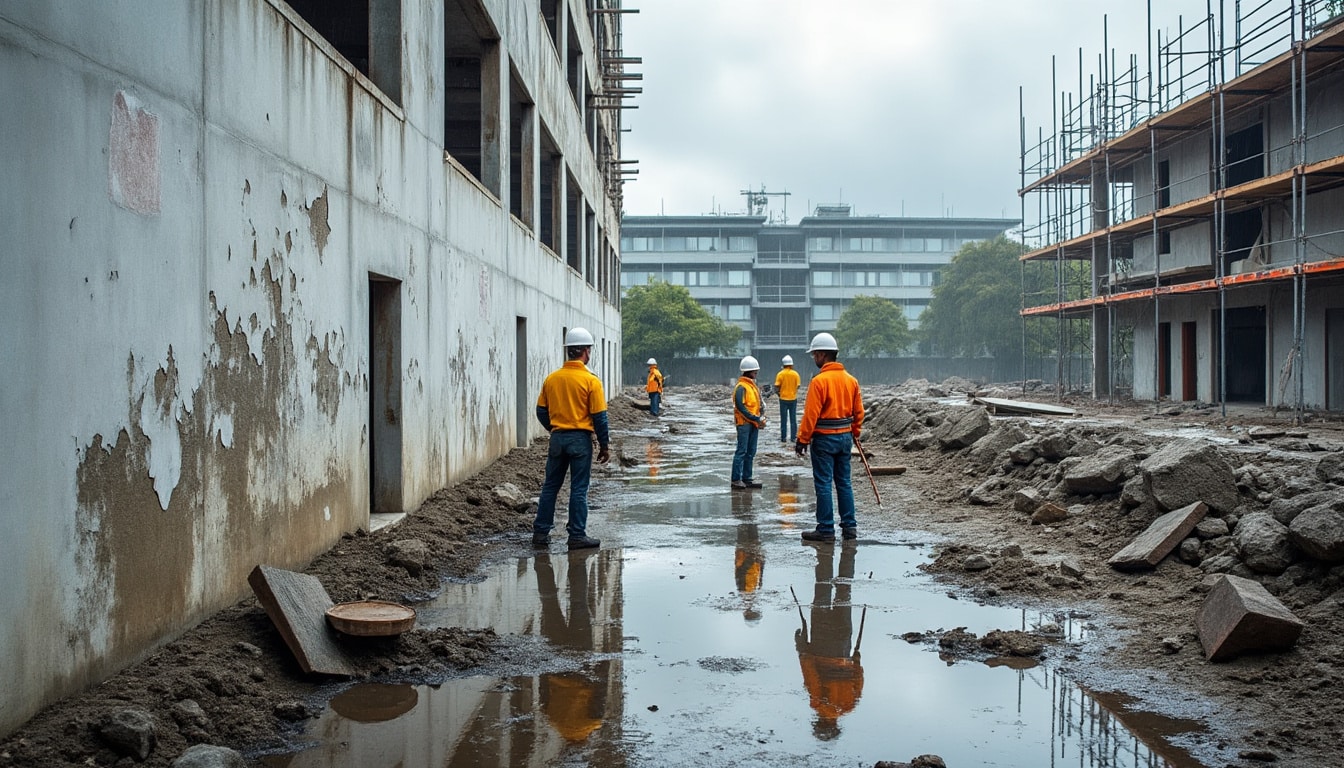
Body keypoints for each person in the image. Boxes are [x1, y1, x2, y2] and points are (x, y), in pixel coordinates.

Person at [533, 327, 609, 550]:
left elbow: (540, 411)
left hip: (557, 438)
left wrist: (555, 428)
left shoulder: (552, 379)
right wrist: (605, 446)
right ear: (586, 351)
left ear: (568, 351)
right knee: (579, 488)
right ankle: (576, 535)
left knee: (550, 487)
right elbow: (600, 418)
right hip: (580, 440)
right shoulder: (591, 381)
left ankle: (540, 533)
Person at [794, 332, 864, 542]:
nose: (814, 358)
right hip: (844, 438)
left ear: (822, 354)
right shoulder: (851, 380)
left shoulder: (819, 382)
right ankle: (849, 528)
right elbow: (859, 412)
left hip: (824, 440)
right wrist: (855, 433)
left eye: (815, 354)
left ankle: (825, 529)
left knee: (823, 483)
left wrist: (802, 440)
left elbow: (811, 415)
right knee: (844, 482)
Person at [795, 541, 864, 740]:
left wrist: (856, 659)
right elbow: (810, 671)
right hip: (822, 643)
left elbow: (858, 678)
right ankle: (825, 558)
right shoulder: (818, 702)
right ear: (820, 722)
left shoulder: (850, 705)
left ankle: (847, 557)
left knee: (844, 593)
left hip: (843, 645)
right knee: (822, 593)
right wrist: (801, 646)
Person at [731, 355, 767, 490]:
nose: (756, 373)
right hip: (744, 424)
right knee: (742, 451)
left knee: (751, 452)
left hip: (753, 423)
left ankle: (747, 478)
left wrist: (759, 417)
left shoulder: (752, 387)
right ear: (748, 371)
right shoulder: (741, 387)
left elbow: (757, 404)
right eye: (754, 371)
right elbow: (740, 407)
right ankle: (736, 479)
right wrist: (755, 418)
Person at [774, 354, 802, 443]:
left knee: (783, 419)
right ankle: (793, 437)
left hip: (783, 399)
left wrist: (780, 394)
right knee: (793, 419)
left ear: (783, 364)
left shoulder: (780, 374)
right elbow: (798, 386)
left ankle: (783, 438)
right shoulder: (796, 374)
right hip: (793, 399)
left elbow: (777, 387)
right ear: (792, 364)